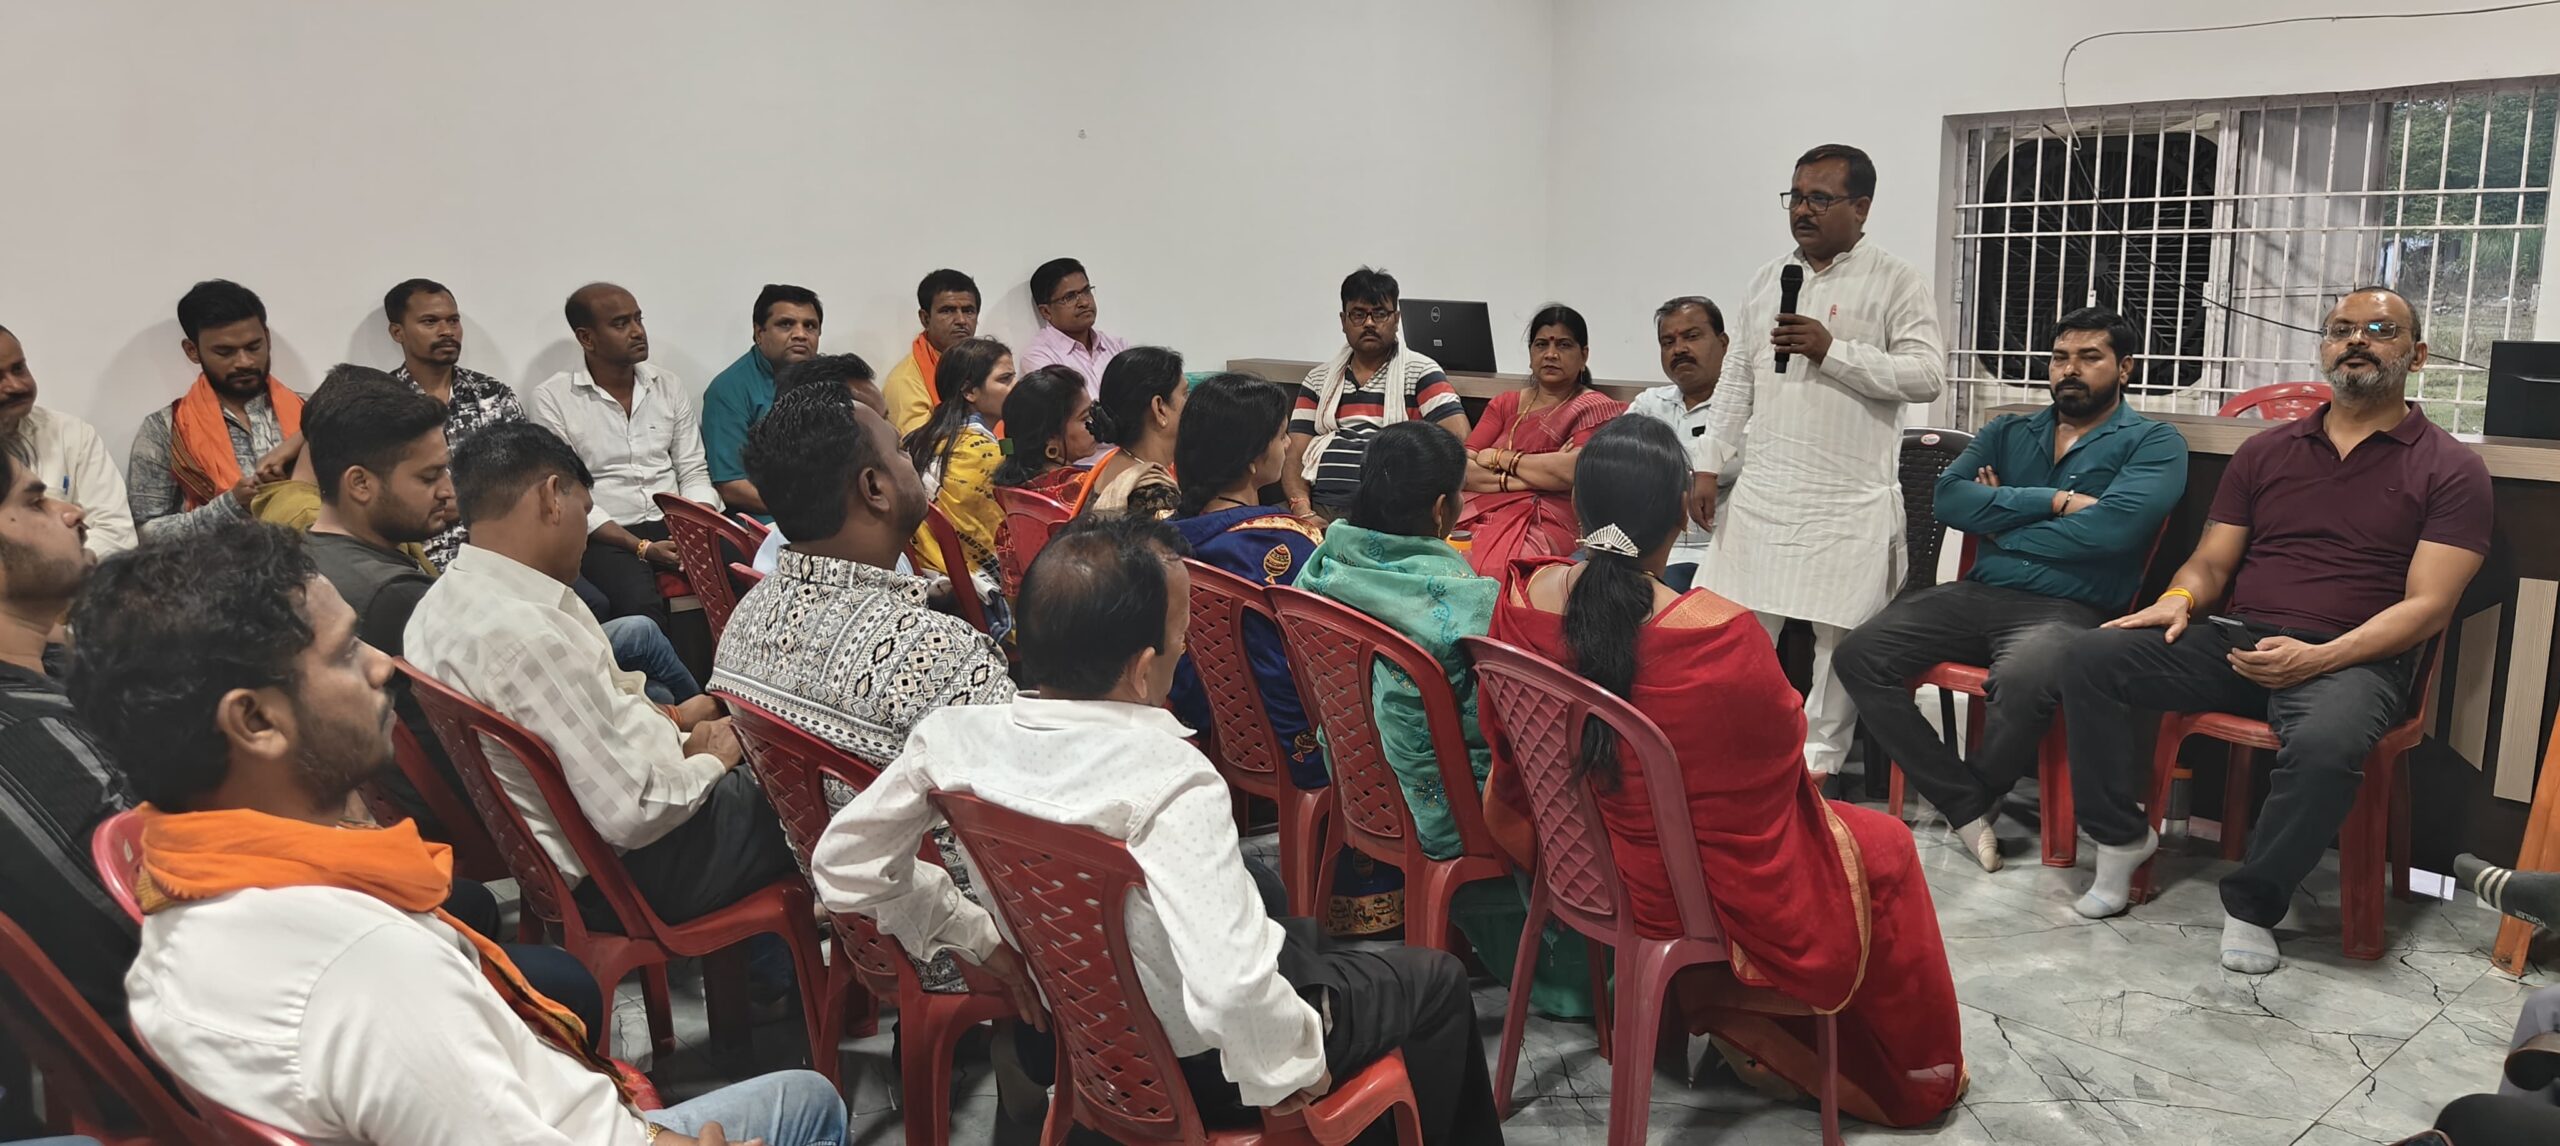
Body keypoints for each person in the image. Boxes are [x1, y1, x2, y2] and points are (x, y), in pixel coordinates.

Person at [70, 523, 846, 1144]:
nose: (381, 667)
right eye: (343, 655)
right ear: (255, 721)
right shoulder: (369, 971)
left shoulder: (178, 888)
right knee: (809, 1104)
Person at [811, 513, 1505, 1145]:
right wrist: (1292, 1070)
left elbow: (843, 862)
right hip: (1197, 1065)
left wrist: (978, 938)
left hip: (1084, 1028)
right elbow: (1231, 992)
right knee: (1436, 981)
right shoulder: (1171, 780)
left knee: (1286, 922)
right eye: (1181, 641)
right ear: (1144, 671)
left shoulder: (952, 740)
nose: (1184, 652)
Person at [1484, 416, 1964, 1127]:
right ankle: (1900, 1074)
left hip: (1576, 863)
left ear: (1578, 506)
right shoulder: (1714, 635)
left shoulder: (1520, 600)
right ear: (1683, 513)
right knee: (1886, 845)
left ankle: (1729, 1023)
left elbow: (1505, 741)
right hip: (1676, 895)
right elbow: (1776, 763)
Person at [2060, 286, 2491, 975]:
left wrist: (2320, 658)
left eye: (2379, 329)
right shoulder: (2266, 451)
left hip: (2355, 658)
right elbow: (2211, 561)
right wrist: (2178, 598)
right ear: (2324, 348)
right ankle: (2120, 840)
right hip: (2240, 637)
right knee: (2089, 656)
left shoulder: (2451, 467)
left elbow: (2428, 606)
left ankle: (2254, 903)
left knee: (2326, 745)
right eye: (2341, 329)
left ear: (2416, 356)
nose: (2356, 340)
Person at [405, 421, 798, 930]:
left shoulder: (440, 603)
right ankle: (792, 962)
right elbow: (632, 813)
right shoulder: (527, 635)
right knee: (812, 781)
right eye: (585, 510)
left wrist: (676, 732)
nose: (586, 535)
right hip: (636, 870)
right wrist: (710, 760)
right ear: (552, 498)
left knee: (766, 754)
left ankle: (777, 952)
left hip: (587, 845)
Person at [1834, 307, 2187, 871]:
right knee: (1859, 654)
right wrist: (2053, 501)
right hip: (1978, 594)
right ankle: (1966, 801)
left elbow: (2115, 530)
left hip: (2069, 606)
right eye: (2060, 357)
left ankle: (1971, 796)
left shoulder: (2154, 443)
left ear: (2124, 368)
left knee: (2024, 680)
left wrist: (1998, 522)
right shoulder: (2007, 431)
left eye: (2089, 357)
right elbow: (1948, 500)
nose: (2070, 369)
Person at [710, 382, 1012, 995]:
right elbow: (1037, 815)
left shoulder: (747, 619)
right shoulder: (935, 651)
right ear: (874, 488)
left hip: (858, 922)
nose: (912, 460)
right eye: (901, 450)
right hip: (967, 942)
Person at [302, 371, 700, 822]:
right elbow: (593, 780)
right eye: (430, 476)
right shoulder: (397, 599)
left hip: (468, 792)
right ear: (359, 484)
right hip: (492, 806)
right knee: (649, 667)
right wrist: (678, 730)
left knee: (638, 644)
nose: (449, 491)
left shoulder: (316, 555)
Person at [1295, 420, 1592, 1016]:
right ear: (1441, 510)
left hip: (1359, 778)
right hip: (1444, 810)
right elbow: (1511, 719)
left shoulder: (1323, 567)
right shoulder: (1466, 600)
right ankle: (1581, 980)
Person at [1694, 143, 1948, 782]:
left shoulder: (1897, 280)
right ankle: (1739, 753)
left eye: (1819, 199)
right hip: (1767, 490)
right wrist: (1708, 462)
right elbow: (1737, 380)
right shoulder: (1767, 279)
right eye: (1796, 197)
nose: (1802, 211)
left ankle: (1818, 770)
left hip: (1847, 496)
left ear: (1861, 207)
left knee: (1838, 641)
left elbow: (1926, 375)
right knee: (1734, 628)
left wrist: (1834, 352)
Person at [1162, 375, 1396, 936]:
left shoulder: (1176, 536)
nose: (1289, 445)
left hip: (1225, 726)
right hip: (1300, 739)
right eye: (1281, 435)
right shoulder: (1282, 544)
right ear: (1252, 459)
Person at [525, 282, 716, 628]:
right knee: (639, 607)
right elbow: (568, 493)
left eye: (638, 319)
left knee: (743, 573)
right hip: (606, 531)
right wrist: (641, 547)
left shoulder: (667, 385)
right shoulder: (552, 398)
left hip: (675, 521)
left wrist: (695, 529)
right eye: (620, 323)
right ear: (586, 338)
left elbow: (692, 469)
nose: (637, 331)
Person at [1285, 268, 1469, 525]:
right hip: (1319, 510)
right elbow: (1295, 456)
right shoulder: (1318, 380)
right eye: (1358, 314)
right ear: (1343, 321)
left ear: (1397, 319)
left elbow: (1456, 439)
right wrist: (1304, 513)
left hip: (1395, 515)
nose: (1369, 323)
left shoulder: (1421, 372)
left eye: (1380, 313)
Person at [126, 279, 305, 543]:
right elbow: (145, 532)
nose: (244, 362)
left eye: (253, 347)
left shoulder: (313, 413)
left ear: (267, 338)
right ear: (192, 351)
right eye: (225, 352)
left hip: (317, 563)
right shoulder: (164, 428)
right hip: (216, 567)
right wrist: (230, 506)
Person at [1458, 304, 1624, 579]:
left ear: (1584, 355)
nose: (1551, 354)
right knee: (1447, 550)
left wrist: (1499, 457)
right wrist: (1537, 476)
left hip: (1550, 520)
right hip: (1482, 511)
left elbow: (1572, 471)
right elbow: (1462, 467)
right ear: (1531, 354)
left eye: (1563, 345)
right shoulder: (1505, 404)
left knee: (1503, 567)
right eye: (1541, 344)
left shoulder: (1594, 408)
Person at [383, 278, 524, 569]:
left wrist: (468, 503)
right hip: (420, 563)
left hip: (503, 552)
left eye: (453, 321)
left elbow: (526, 475)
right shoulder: (380, 403)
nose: (447, 331)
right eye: (430, 322)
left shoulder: (492, 394)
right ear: (397, 332)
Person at [902, 337, 1015, 639]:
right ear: (969, 391)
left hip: (934, 583)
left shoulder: (919, 439)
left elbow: (1006, 449)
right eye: (1005, 379)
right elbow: (1005, 541)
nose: (1015, 387)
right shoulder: (980, 454)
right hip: (978, 597)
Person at [746, 353, 892, 576]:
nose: (894, 435)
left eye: (886, 419)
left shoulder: (876, 543)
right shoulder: (794, 576)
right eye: (875, 425)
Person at [1624, 296, 1733, 584]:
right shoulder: (1650, 403)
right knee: (1571, 577)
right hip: (1641, 548)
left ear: (1723, 343)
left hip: (1711, 555)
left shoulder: (1743, 409)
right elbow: (1616, 464)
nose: (1679, 349)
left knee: (1649, 593)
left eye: (1692, 336)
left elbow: (1728, 467)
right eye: (1667, 342)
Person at [0, 325, 134, 556]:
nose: (16, 386)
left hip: (78, 579)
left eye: (19, 368)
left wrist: (48, 569)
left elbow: (117, 534)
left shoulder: (70, 433)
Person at [700, 284, 823, 519]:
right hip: (767, 518)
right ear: (759, 333)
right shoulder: (728, 390)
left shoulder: (828, 381)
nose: (801, 334)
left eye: (810, 326)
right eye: (786, 324)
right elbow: (731, 485)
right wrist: (804, 510)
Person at [1073, 346, 1185, 520]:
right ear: (1159, 409)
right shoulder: (1155, 494)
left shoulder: (1112, 463)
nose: (1191, 404)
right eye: (1185, 394)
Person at [883, 269, 982, 435]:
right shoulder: (906, 381)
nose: (961, 320)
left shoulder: (988, 367)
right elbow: (921, 446)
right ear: (925, 318)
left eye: (968, 311)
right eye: (947, 310)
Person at [1020, 258, 1128, 396]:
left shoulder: (1117, 346)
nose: (1084, 302)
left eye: (1086, 291)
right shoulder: (1039, 358)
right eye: (1069, 297)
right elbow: (1066, 408)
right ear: (1046, 311)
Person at [989, 364, 1097, 501]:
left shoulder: (1009, 486)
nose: (1094, 423)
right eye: (1085, 418)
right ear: (1051, 438)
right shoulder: (1083, 490)